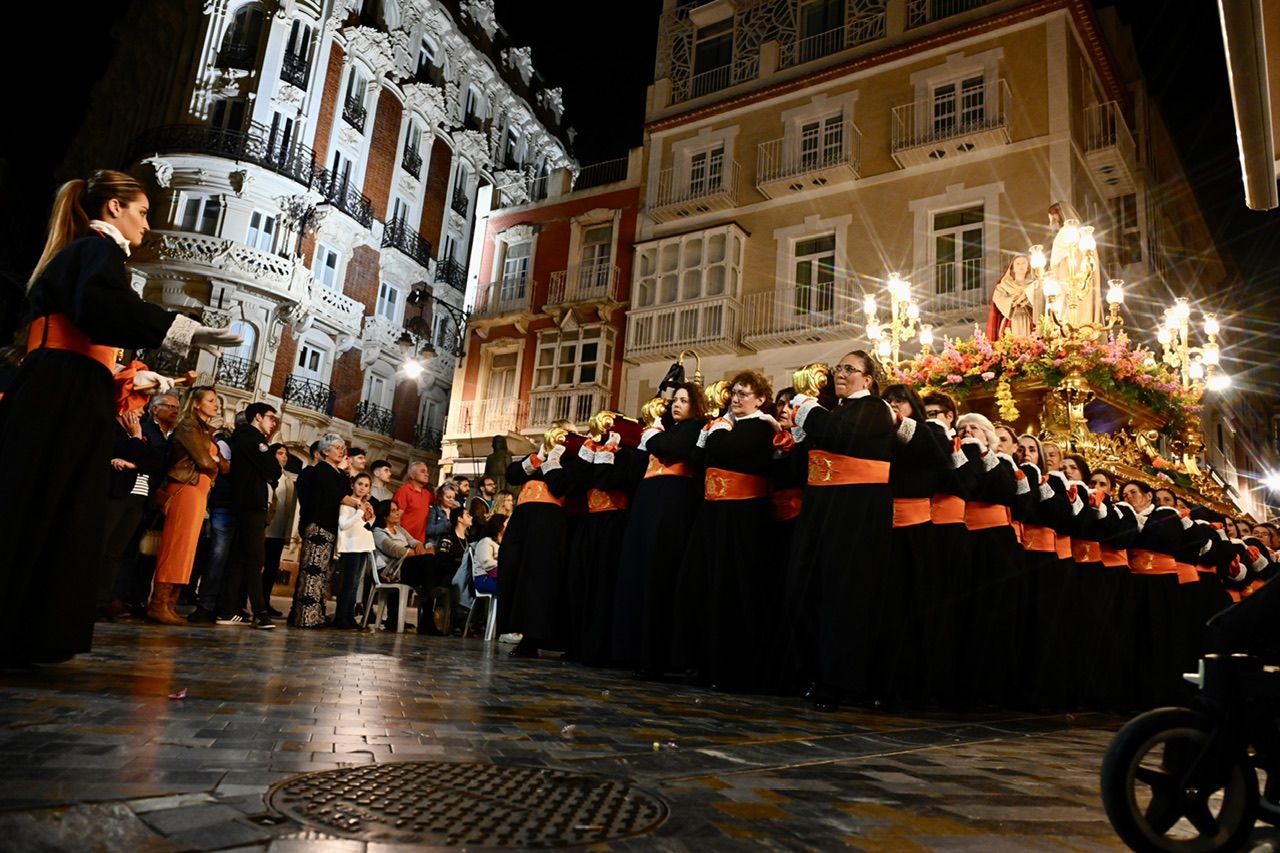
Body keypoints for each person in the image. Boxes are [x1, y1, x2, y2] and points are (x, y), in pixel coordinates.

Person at [0, 170, 238, 664]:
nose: (147, 225)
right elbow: (106, 307)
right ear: (114, 208)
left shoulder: (86, 253)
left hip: (66, 384)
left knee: (43, 498)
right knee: (46, 498)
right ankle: (23, 629)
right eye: (143, 212)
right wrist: (180, 328)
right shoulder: (96, 251)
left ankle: (27, 626)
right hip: (64, 387)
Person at [784, 352, 898, 710]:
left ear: (868, 380)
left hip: (854, 515)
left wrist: (804, 404)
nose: (841, 373)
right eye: (839, 368)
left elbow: (838, 435)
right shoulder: (837, 409)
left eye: (850, 369)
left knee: (843, 598)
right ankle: (810, 672)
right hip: (822, 510)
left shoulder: (875, 408)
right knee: (809, 589)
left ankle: (838, 681)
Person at [675, 370, 780, 694]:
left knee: (733, 589)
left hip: (742, 519)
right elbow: (698, 457)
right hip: (713, 515)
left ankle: (731, 667)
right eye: (734, 393)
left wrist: (718, 429)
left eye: (744, 394)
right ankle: (703, 660)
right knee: (703, 584)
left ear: (760, 399)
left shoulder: (762, 427)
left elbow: (723, 449)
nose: (736, 399)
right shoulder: (728, 425)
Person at [499, 421, 575, 658]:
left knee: (538, 579)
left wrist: (554, 459)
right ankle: (515, 628)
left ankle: (532, 638)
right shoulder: (536, 458)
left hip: (548, 522)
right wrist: (539, 456)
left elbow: (561, 485)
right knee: (512, 568)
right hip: (522, 520)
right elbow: (512, 475)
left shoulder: (570, 461)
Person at [221, 401, 282, 629]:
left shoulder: (248, 438)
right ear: (258, 417)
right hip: (251, 505)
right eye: (270, 418)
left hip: (247, 504)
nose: (273, 423)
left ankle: (228, 608)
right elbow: (274, 470)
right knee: (256, 559)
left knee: (239, 557)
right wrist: (268, 468)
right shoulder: (251, 437)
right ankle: (260, 611)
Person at [290, 433, 359, 628]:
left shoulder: (338, 473)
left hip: (330, 527)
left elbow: (345, 492)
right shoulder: (321, 469)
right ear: (325, 451)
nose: (342, 451)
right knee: (313, 571)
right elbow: (337, 495)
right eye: (337, 447)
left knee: (324, 574)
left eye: (342, 448)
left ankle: (317, 615)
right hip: (318, 525)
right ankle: (305, 617)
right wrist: (358, 504)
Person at [335, 472, 376, 629]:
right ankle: (341, 617)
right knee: (348, 583)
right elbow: (343, 525)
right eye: (360, 484)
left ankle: (349, 617)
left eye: (366, 485)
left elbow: (366, 527)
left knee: (355, 584)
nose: (362, 488)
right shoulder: (347, 503)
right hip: (350, 546)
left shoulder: (364, 505)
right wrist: (359, 512)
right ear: (353, 485)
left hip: (362, 545)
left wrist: (370, 517)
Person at [262, 443, 297, 617]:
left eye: (286, 454)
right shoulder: (265, 472)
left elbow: (289, 509)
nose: (284, 456)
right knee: (255, 567)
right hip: (263, 529)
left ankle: (264, 601)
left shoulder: (288, 479)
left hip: (278, 531)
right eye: (280, 453)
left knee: (271, 569)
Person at [988, 254, 1035, 340]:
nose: (1021, 265)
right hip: (1012, 320)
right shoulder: (1004, 285)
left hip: (1028, 319)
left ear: (1028, 267)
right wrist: (1013, 301)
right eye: (1018, 263)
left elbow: (1039, 301)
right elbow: (998, 298)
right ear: (1012, 268)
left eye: (1024, 263)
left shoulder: (1033, 285)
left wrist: (1028, 298)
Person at [393, 461, 434, 544]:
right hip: (404, 541)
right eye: (422, 471)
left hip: (419, 542)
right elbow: (396, 518)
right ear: (412, 475)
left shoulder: (427, 494)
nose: (427, 474)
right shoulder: (404, 491)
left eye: (427, 472)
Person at [471, 513, 507, 596]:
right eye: (506, 523)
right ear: (499, 525)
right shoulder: (486, 542)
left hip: (497, 577)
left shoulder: (501, 543)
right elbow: (487, 563)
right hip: (484, 579)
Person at [425, 482, 460, 549]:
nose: (451, 500)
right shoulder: (434, 510)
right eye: (448, 497)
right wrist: (448, 524)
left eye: (453, 498)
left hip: (451, 546)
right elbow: (429, 530)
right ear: (440, 497)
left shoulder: (454, 511)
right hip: (436, 545)